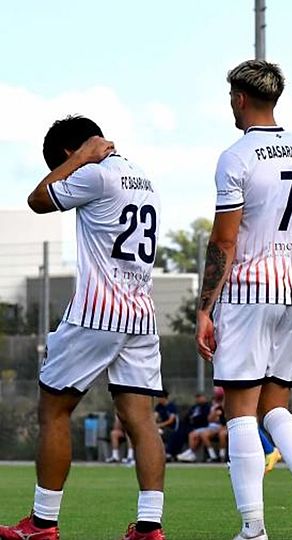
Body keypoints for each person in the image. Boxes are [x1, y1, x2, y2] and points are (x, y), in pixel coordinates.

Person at [0, 116, 166, 540]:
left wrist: (80, 159)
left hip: (97, 311)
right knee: (139, 419)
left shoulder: (94, 173)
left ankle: (42, 524)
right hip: (141, 313)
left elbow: (38, 198)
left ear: (70, 152)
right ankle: (149, 527)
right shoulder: (142, 177)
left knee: (53, 410)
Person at [195, 59, 292, 540]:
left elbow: (224, 242)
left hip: (248, 292)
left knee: (240, 413)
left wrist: (205, 307)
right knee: (276, 407)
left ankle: (253, 527)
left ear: (239, 98)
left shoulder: (236, 156)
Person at [175, 393, 212, 463]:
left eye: (200, 397)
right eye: (197, 398)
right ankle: (189, 453)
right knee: (181, 433)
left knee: (192, 435)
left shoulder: (207, 407)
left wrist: (194, 419)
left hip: (203, 426)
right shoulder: (194, 407)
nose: (198, 399)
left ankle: (190, 453)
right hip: (193, 426)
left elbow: (204, 418)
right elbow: (187, 416)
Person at [154, 390, 179, 461]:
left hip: (171, 428)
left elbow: (171, 420)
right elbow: (154, 416)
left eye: (159, 397)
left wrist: (159, 425)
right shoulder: (159, 407)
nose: (158, 399)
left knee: (163, 434)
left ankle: (168, 453)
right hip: (161, 428)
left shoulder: (171, 407)